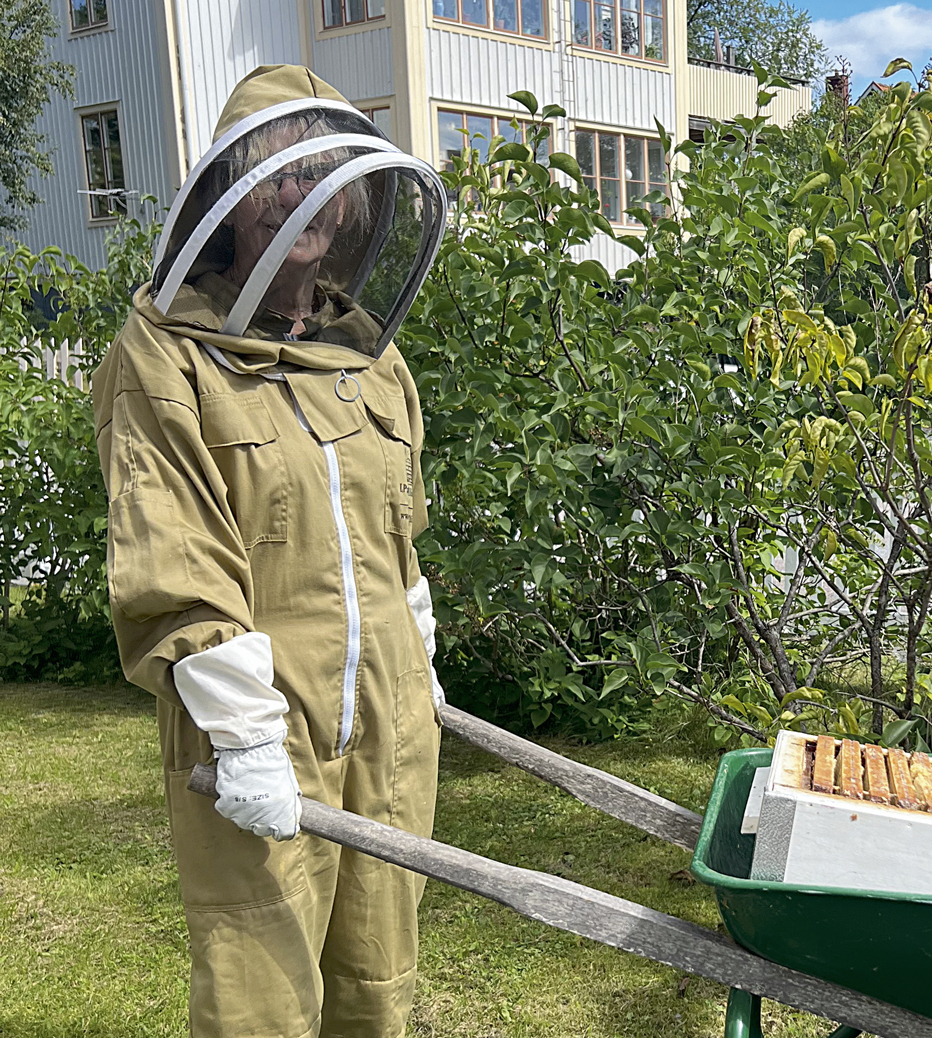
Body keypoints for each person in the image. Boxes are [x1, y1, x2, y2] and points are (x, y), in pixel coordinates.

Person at [92, 65, 449, 1037]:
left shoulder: (368, 354)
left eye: (327, 177)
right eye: (278, 176)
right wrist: (245, 736)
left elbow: (394, 533)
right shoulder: (163, 355)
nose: (305, 200)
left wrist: (418, 651)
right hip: (256, 730)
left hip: (390, 722)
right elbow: (174, 554)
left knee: (380, 986)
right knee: (262, 1001)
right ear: (227, 201)